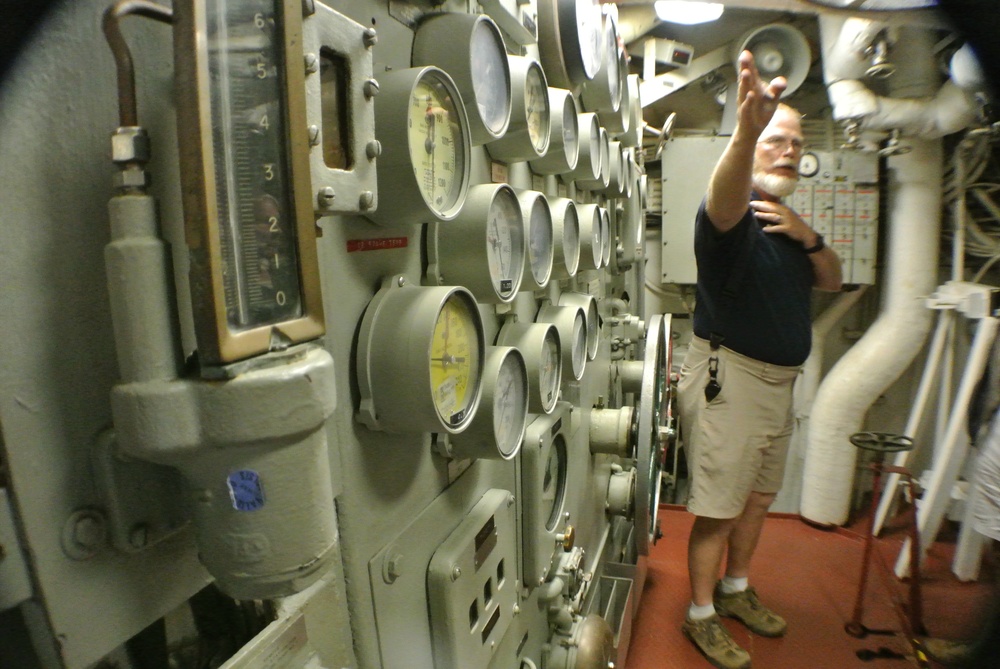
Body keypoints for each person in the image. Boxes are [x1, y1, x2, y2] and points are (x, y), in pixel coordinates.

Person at [676, 50, 843, 669]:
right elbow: (722, 198)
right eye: (777, 138)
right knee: (717, 511)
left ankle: (736, 590)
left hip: (778, 385)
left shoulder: (785, 224)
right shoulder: (732, 218)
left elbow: (832, 279)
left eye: (797, 141)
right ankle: (700, 616)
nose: (790, 149)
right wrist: (747, 132)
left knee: (756, 501)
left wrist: (810, 236)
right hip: (732, 382)